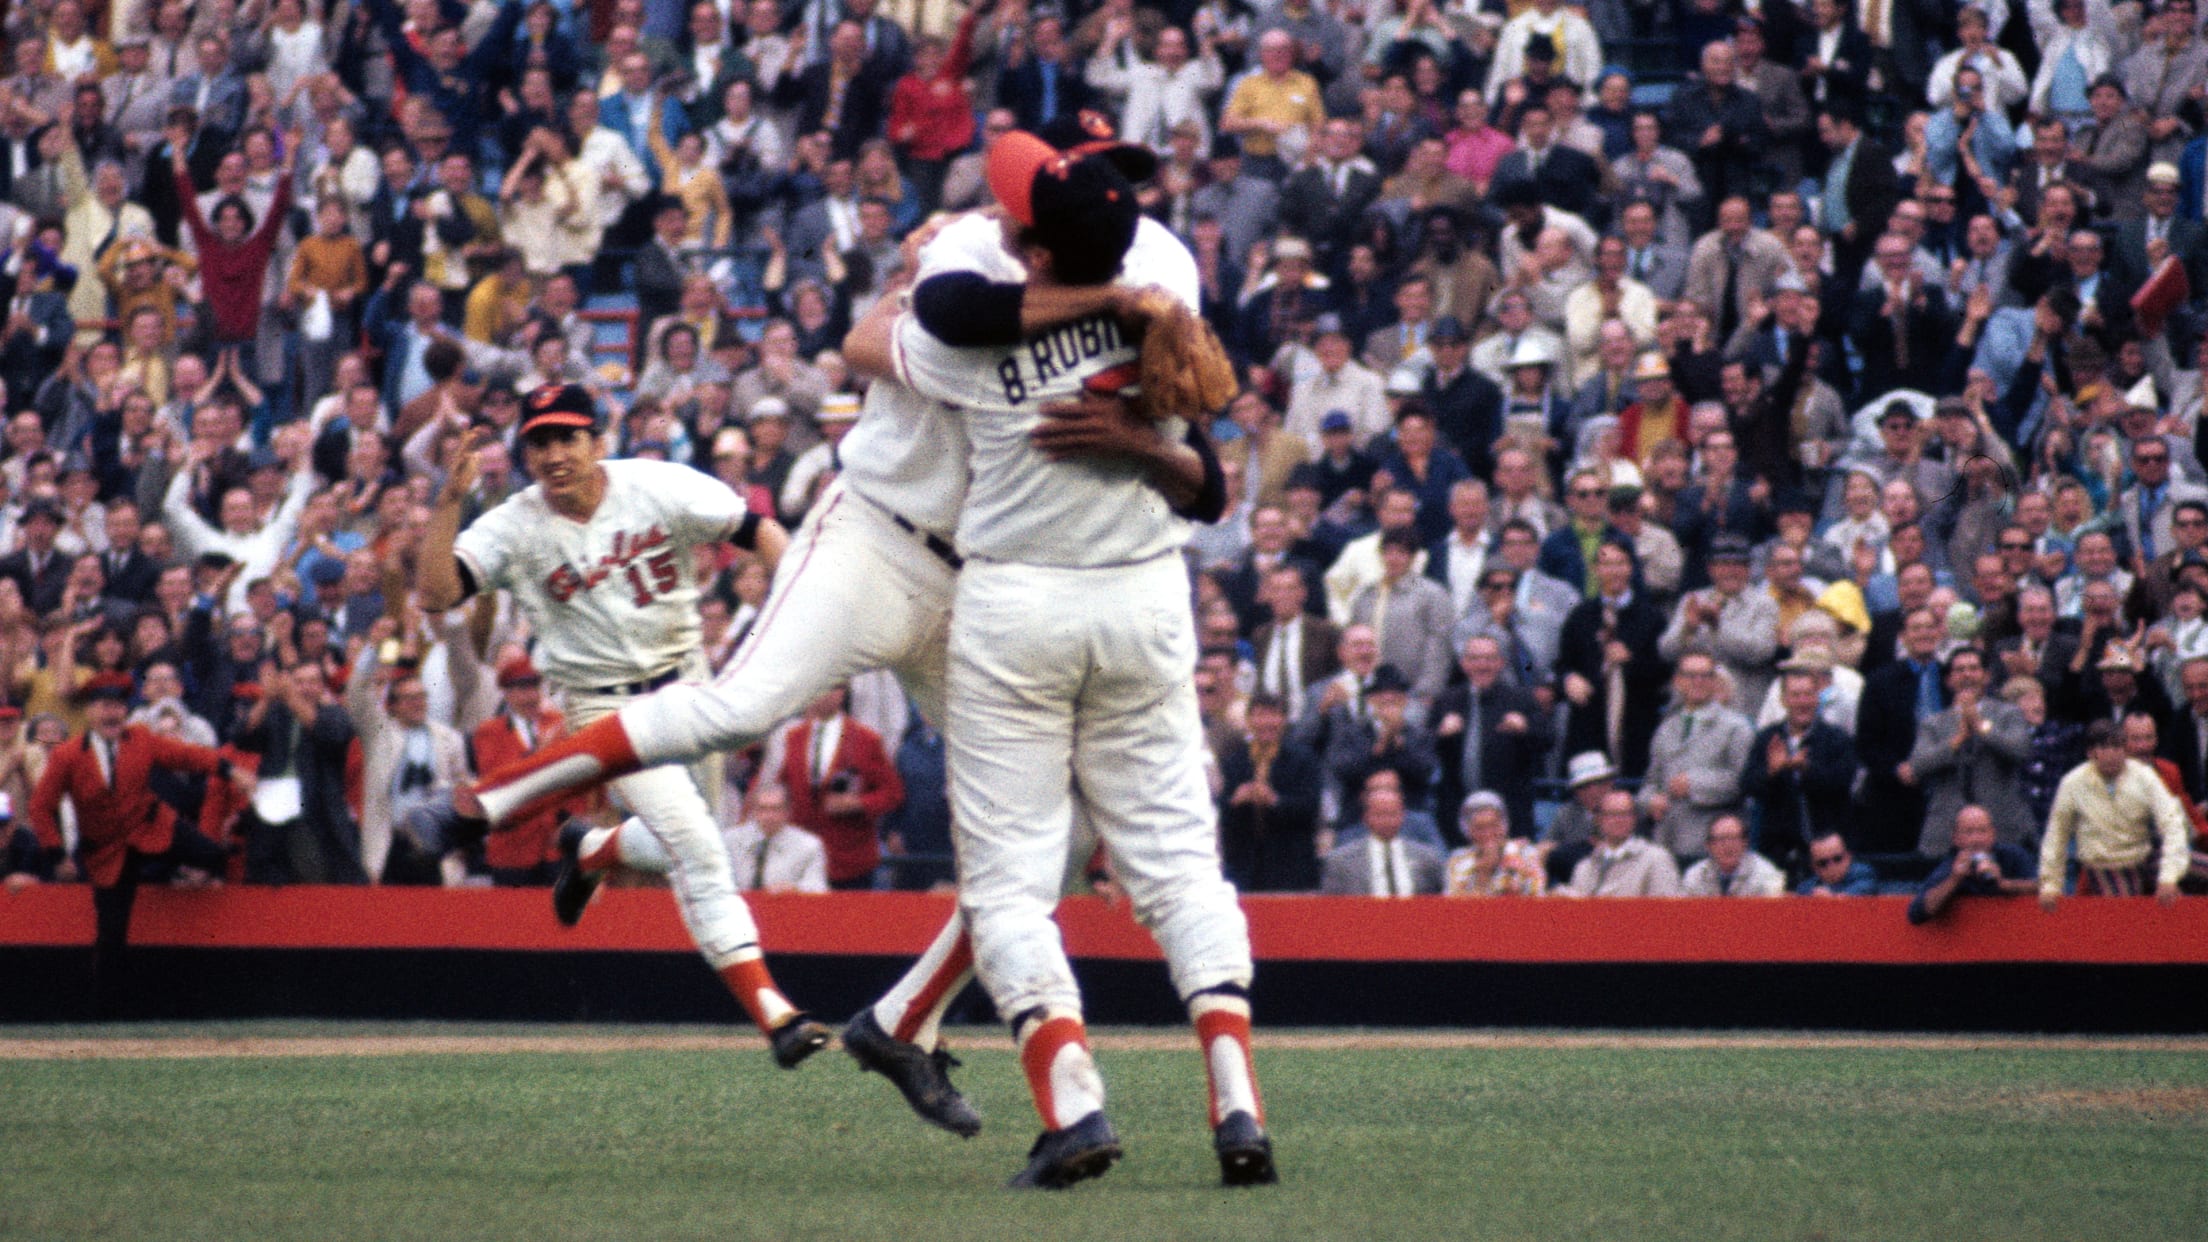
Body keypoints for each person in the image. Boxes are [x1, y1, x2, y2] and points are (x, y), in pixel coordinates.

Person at [450, 170, 1232, 1159]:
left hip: (982, 586)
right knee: (743, 707)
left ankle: (904, 1023)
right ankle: (500, 796)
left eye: (1019, 216)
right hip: (875, 539)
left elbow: (1181, 431)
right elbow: (871, 339)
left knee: (1055, 842)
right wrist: (1078, 294)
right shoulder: (970, 278)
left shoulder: (1050, 290)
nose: (1003, 226)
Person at [879, 130, 1272, 1189]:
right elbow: (1215, 490)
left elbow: (929, 318)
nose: (1007, 224)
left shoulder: (973, 326)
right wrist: (1148, 436)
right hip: (1145, 594)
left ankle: (1075, 1110)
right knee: (1183, 867)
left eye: (1019, 222)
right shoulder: (1164, 282)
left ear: (1036, 252)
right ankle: (1238, 1108)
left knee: (1009, 889)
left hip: (1016, 602)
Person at [416, 382, 832, 1069]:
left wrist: (798, 599)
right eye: (539, 441)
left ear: (597, 441)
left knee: (678, 837)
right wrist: (447, 500)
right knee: (701, 847)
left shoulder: (655, 484)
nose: (554, 454)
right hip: (601, 707)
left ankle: (592, 851)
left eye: (567, 437)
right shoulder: (515, 523)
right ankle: (775, 1015)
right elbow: (436, 593)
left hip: (691, 689)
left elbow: (755, 529)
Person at [27, 672, 252, 1014]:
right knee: (111, 932)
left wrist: (229, 770)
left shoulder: (142, 739)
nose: (112, 714)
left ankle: (182, 872)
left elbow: (187, 756)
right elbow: (41, 807)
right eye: (104, 706)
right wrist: (57, 854)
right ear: (90, 712)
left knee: (212, 855)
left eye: (118, 706)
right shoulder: (67, 756)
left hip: (155, 829)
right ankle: (106, 1011)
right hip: (107, 852)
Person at [2040, 719, 2191, 908]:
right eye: (2104, 748)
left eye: (2117, 747)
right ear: (2090, 752)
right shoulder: (2072, 783)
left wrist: (2169, 877)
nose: (2111, 755)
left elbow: (2172, 822)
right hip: (2105, 865)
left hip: (2144, 855)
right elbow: (2057, 835)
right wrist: (2050, 885)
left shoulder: (2144, 776)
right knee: (2125, 910)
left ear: (2125, 749)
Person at [1907, 647, 2036, 856]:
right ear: (1949, 680)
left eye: (1973, 669)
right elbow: (1918, 765)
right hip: (1946, 831)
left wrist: (1981, 726)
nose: (1967, 675)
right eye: (1960, 670)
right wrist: (1956, 740)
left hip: (2002, 826)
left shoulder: (2008, 714)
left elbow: (2020, 750)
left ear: (1986, 676)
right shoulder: (1934, 723)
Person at [1637, 651, 1755, 859]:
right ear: (1677, 681)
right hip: (1666, 845)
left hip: (1712, 847)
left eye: (1705, 675)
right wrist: (1650, 801)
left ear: (1714, 681)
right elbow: (1650, 782)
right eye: (1690, 675)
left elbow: (1744, 782)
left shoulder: (1736, 726)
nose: (1698, 682)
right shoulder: (1666, 729)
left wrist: (1694, 784)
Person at [1908, 804, 2039, 923]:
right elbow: (1917, 914)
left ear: (1993, 834)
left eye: (1982, 831)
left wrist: (2003, 884)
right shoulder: (1952, 865)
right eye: (1969, 832)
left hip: (2014, 931)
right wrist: (1955, 879)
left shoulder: (2012, 855)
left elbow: (2044, 887)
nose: (1976, 839)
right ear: (1956, 839)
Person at [1319, 782, 1444, 895]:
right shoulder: (1340, 862)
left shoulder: (1427, 859)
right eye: (1380, 815)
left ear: (1402, 815)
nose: (1387, 821)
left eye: (1392, 814)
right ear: (1366, 817)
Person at [1561, 789, 1681, 897]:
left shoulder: (1657, 859)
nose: (1619, 820)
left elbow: (1666, 911)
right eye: (1612, 814)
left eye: (1625, 814)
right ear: (1599, 819)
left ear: (1634, 818)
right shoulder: (1585, 867)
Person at [723, 783, 829, 892]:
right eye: (762, 809)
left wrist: (795, 889)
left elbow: (818, 888)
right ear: (753, 810)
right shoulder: (730, 840)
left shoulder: (809, 846)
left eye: (776, 809)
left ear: (788, 811)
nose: (769, 816)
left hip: (786, 906)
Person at [1443, 791, 1545, 896]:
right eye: (1479, 828)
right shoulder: (1458, 859)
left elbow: (1537, 898)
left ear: (1505, 825)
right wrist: (1483, 873)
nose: (1488, 833)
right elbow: (1452, 903)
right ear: (1467, 830)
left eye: (1494, 825)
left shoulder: (1526, 854)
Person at [1679, 815, 1787, 897]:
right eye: (1721, 839)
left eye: (1734, 838)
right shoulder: (1695, 876)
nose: (1728, 846)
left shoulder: (1766, 875)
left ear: (1745, 843)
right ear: (1709, 846)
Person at [1797, 831, 1879, 896]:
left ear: (1848, 857)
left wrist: (1831, 899)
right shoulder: (1806, 887)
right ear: (1814, 867)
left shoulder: (1864, 875)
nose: (1831, 867)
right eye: (1823, 863)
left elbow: (1854, 897)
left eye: (1837, 859)